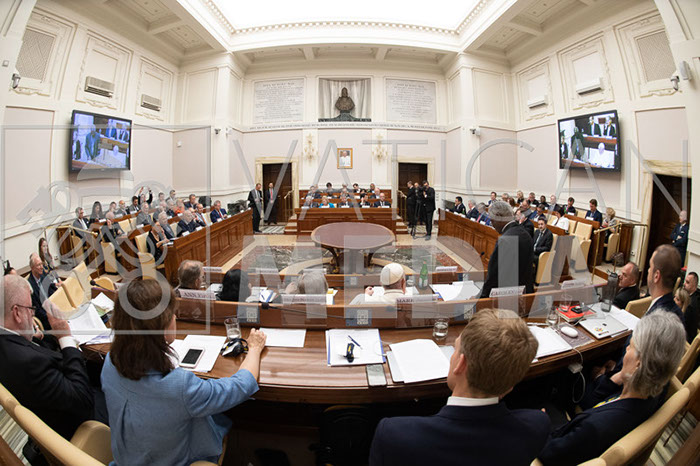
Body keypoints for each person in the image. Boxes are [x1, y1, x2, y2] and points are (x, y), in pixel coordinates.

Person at [101, 279, 266, 465]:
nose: (175, 318)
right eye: (171, 314)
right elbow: (241, 386)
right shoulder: (179, 386)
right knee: (222, 419)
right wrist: (254, 348)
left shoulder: (110, 362)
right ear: (161, 328)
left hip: (127, 459)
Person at [370, 309, 548, 466]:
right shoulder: (537, 425)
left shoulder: (392, 435)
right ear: (511, 384)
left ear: (461, 364)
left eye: (455, 349)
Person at [539, 312, 685, 466]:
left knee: (535, 396)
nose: (626, 349)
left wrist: (540, 424)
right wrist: (621, 375)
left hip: (552, 443)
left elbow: (548, 454)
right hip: (580, 434)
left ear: (638, 364)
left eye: (631, 346)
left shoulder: (594, 427)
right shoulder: (653, 392)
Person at [0, 275, 102, 442]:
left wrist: (37, 336)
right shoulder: (29, 362)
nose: (33, 314)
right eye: (30, 308)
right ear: (17, 313)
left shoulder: (8, 342)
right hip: (84, 423)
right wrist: (65, 336)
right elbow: (83, 400)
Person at [480, 201, 534, 298]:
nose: (492, 224)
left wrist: (481, 299)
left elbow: (493, 276)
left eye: (492, 220)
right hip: (524, 295)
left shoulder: (505, 240)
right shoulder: (525, 234)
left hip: (504, 298)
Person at [645, 244, 683, 322]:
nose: (648, 270)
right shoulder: (677, 313)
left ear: (656, 276)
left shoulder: (653, 320)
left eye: (650, 266)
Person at [27, 253, 60, 330]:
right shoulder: (30, 285)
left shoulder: (43, 275)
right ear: (32, 268)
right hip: (46, 317)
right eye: (38, 265)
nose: (42, 267)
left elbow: (51, 290)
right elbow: (37, 310)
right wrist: (51, 315)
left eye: (41, 264)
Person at [683, 272, 699, 343]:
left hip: (687, 340)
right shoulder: (695, 296)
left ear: (694, 285)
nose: (684, 284)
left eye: (687, 282)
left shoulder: (690, 305)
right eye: (685, 281)